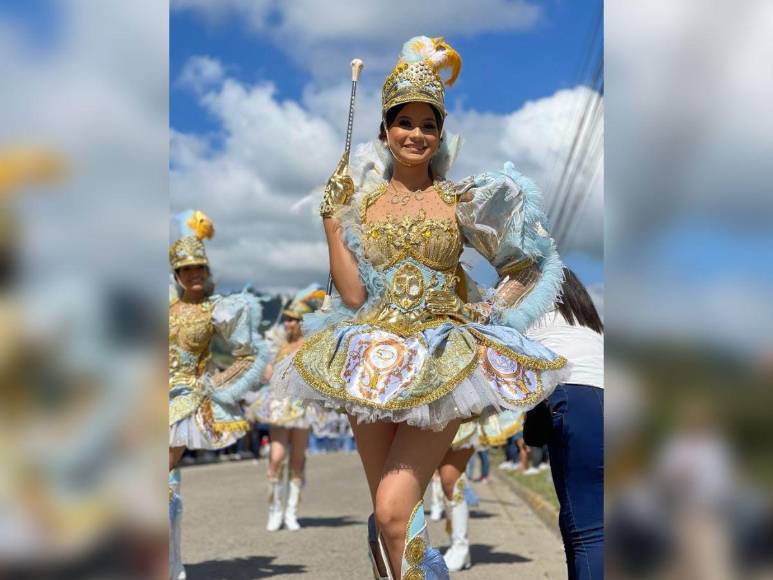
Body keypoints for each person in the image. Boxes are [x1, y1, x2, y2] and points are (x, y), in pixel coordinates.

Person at [274, 36, 568, 579]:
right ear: (385, 131)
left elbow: (528, 265)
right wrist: (332, 223)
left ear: (440, 133)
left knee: (392, 508)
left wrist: (488, 315)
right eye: (404, 123)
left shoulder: (461, 201)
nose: (416, 134)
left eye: (428, 124)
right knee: (392, 521)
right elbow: (353, 295)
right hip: (369, 358)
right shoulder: (362, 204)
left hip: (441, 359)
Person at [167, 210, 268, 578]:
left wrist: (217, 385)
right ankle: (170, 562)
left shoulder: (218, 310)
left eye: (199, 267)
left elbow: (248, 354)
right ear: (176, 275)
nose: (194, 273)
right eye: (186, 268)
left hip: (185, 400)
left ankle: (170, 563)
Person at [525, 268, 604, 580]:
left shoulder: (529, 308)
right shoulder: (588, 322)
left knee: (586, 531)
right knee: (588, 522)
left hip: (572, 398)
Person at [250, 287, 325, 532]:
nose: (288, 323)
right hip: (280, 406)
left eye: (293, 319)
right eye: (286, 319)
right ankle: (274, 511)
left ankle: (291, 512)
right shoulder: (278, 344)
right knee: (276, 458)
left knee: (297, 460)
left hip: (302, 406)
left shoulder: (312, 344)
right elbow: (267, 372)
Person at [437, 410, 523, 571]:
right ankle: (456, 545)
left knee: (450, 479)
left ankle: (460, 548)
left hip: (465, 411)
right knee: (445, 480)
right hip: (440, 412)